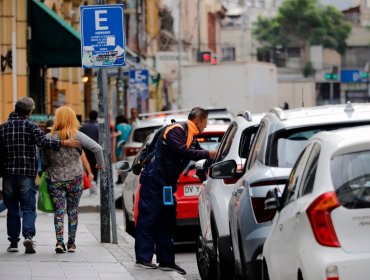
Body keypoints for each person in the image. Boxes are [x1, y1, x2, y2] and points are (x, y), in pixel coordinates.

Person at [135, 107, 217, 274]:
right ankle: (143, 258)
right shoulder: (176, 130)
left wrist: (214, 160)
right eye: (205, 122)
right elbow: (182, 151)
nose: (206, 127)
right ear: (198, 120)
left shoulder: (191, 137)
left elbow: (197, 154)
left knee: (167, 221)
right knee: (149, 218)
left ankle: (166, 261)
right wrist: (209, 153)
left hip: (166, 184)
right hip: (154, 181)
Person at [0, 97, 80, 254]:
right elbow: (44, 142)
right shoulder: (31, 126)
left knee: (12, 208)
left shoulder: (2, 128)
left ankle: (13, 243)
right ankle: (28, 236)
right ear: (29, 112)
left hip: (8, 174)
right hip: (26, 174)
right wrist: (64, 143)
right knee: (28, 207)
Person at [42, 106, 104, 253]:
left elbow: (44, 161)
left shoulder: (48, 138)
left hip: (55, 178)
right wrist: (99, 165)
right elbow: (97, 148)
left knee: (59, 210)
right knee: (73, 210)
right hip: (75, 178)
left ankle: (59, 242)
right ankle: (71, 244)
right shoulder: (77, 135)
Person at [80, 110, 99, 194]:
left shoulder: (83, 126)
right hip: (94, 150)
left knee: (87, 165)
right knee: (95, 165)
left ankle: (88, 180)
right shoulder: (98, 126)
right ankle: (94, 181)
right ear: (96, 116)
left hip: (85, 150)